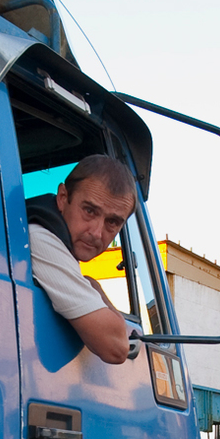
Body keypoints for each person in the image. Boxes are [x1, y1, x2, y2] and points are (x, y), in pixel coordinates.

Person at [26, 155, 135, 364]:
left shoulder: (48, 237)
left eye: (112, 222)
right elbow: (117, 347)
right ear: (62, 198)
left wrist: (91, 283)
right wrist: (93, 285)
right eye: (89, 211)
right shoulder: (40, 238)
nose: (96, 232)